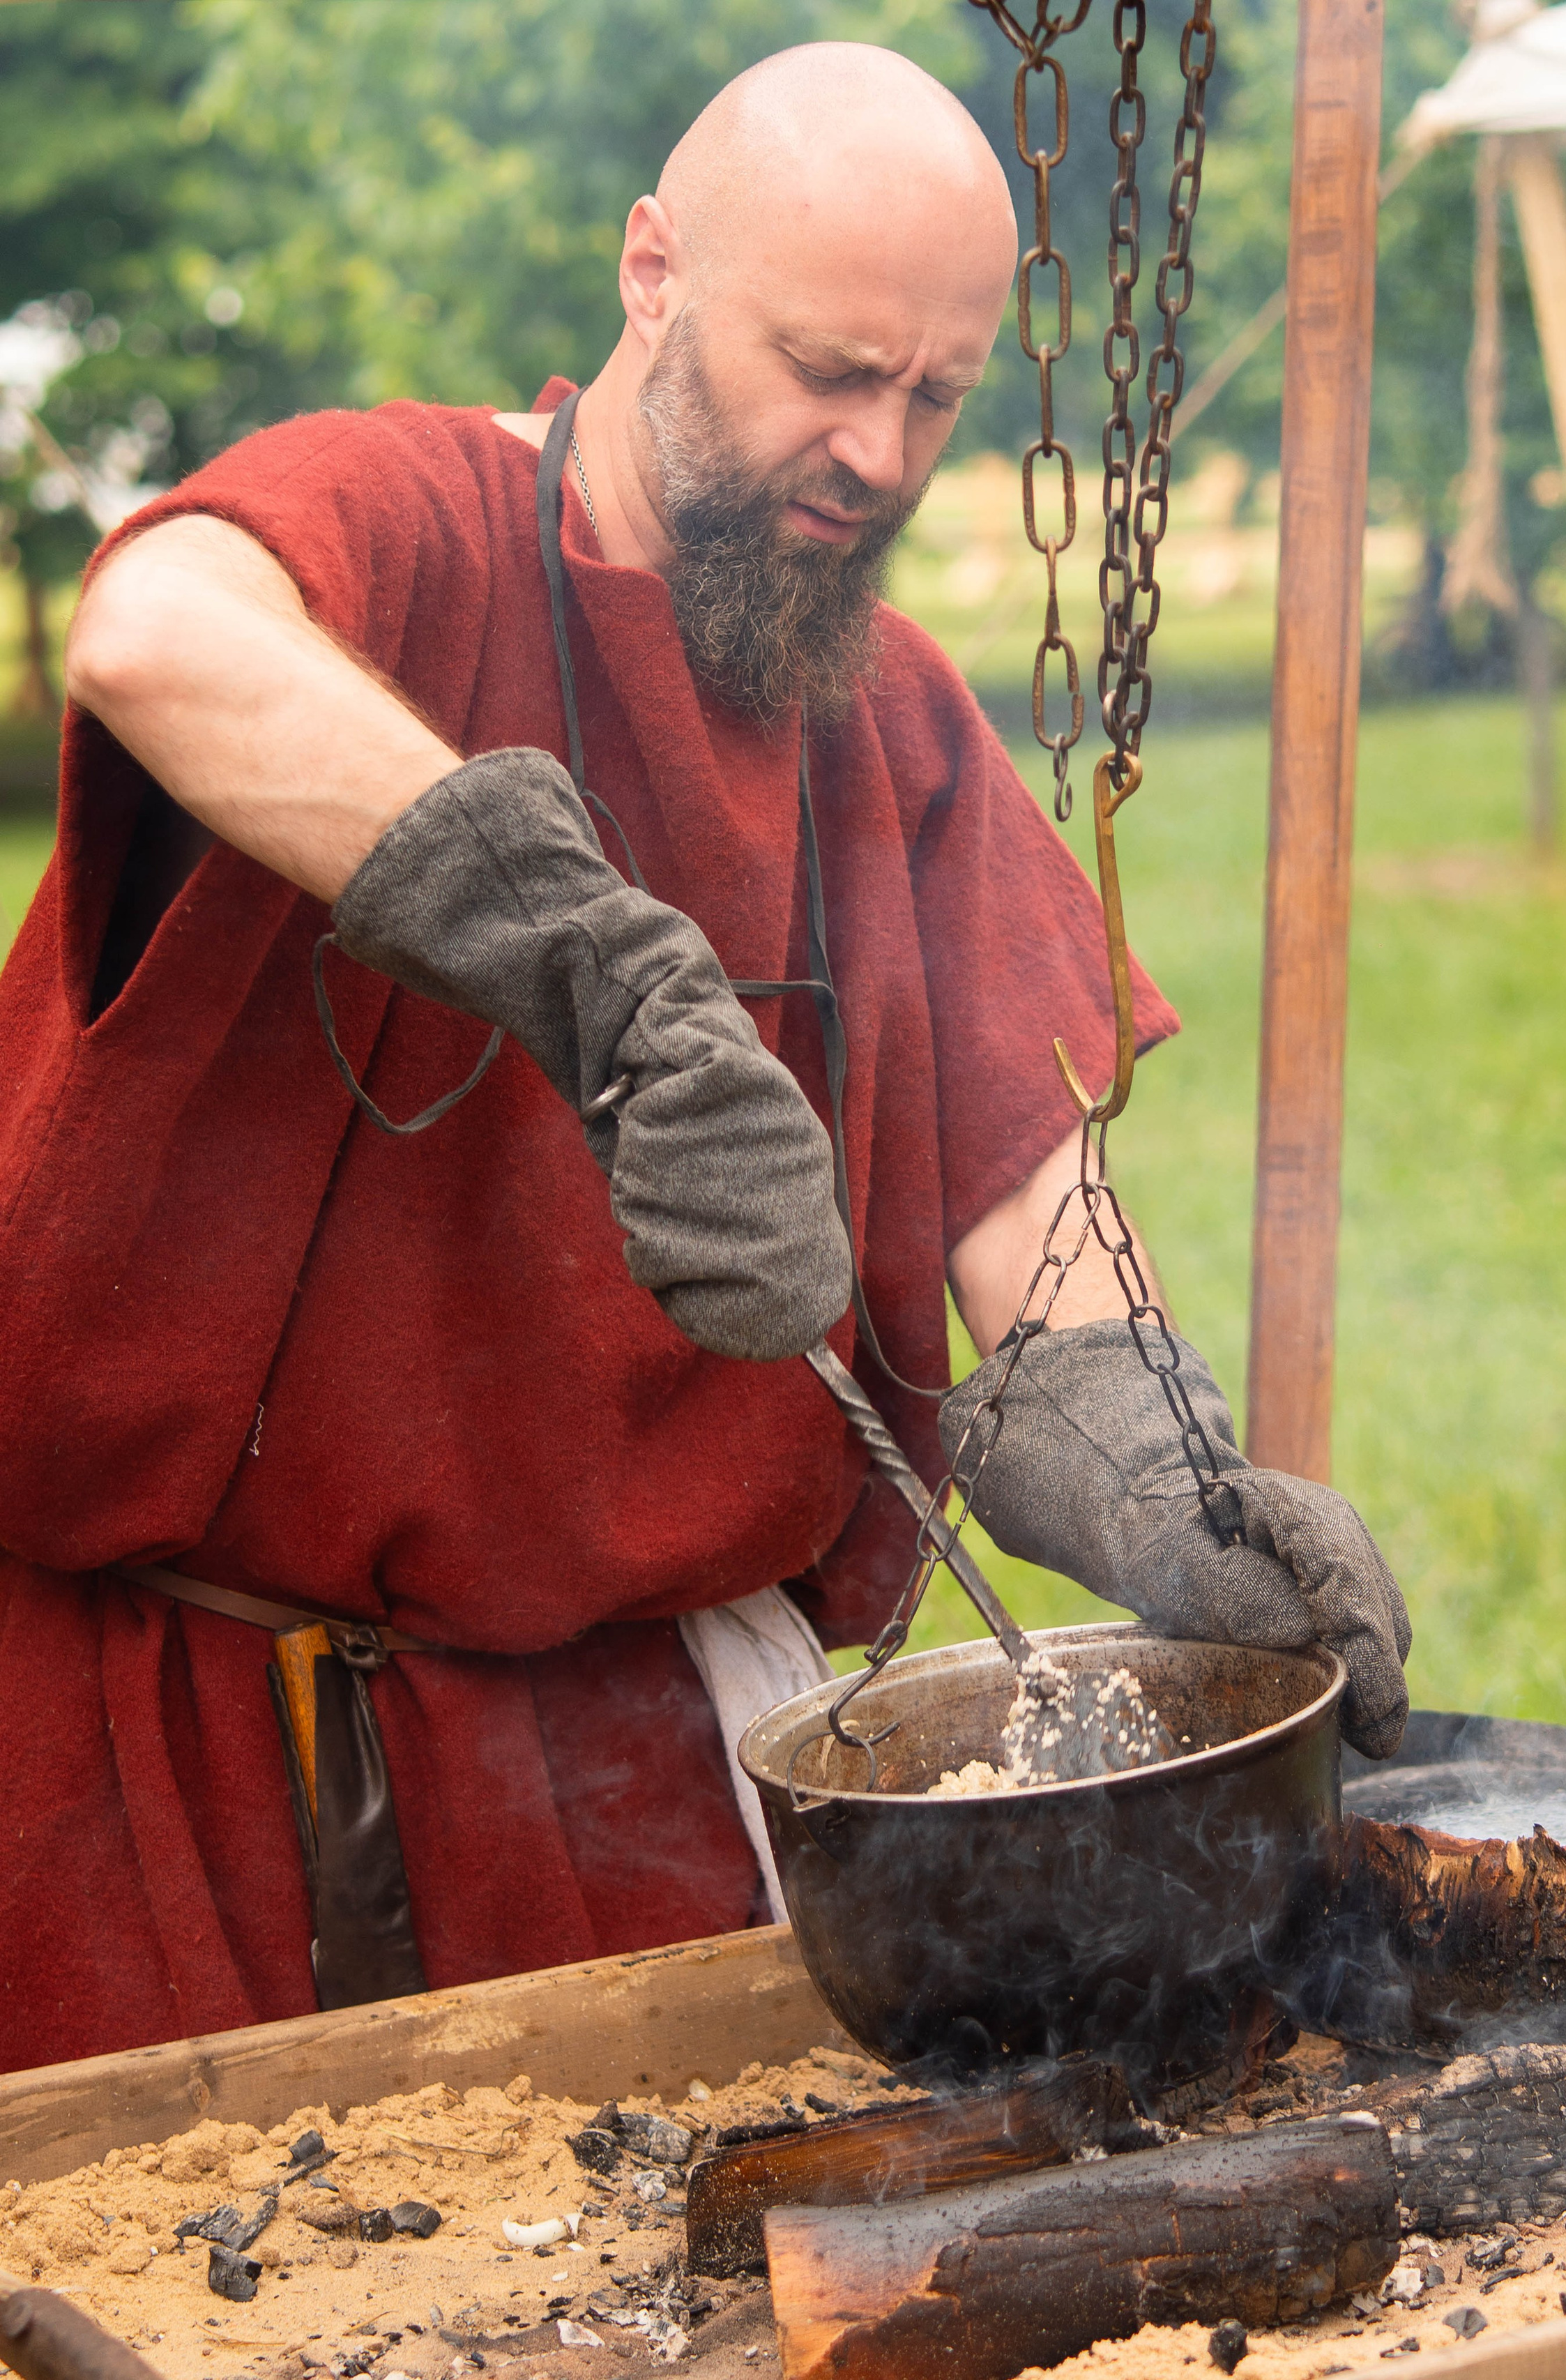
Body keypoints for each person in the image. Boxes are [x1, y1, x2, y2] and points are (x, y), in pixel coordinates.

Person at [0, 43, 1408, 2072]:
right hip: (195, 1770)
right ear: (652, 271)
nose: (876, 452)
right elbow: (156, 631)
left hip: (651, 1776)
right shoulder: (409, 519)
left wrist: (1168, 1488)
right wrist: (591, 966)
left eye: (934, 397)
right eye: (825, 370)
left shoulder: (888, 711)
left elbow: (1034, 1216)